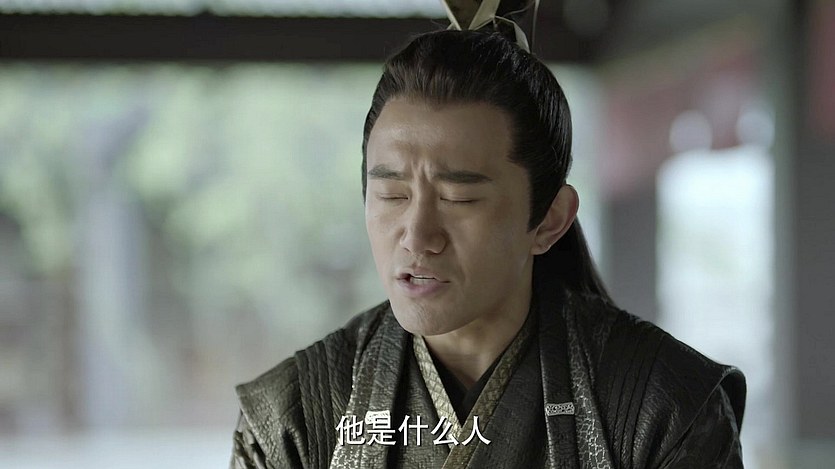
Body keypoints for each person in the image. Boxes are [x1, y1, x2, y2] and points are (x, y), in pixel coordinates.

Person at [230, 1, 746, 467]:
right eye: (392, 195)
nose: (417, 237)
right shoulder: (293, 418)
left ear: (549, 219)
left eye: (459, 198)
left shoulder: (664, 407)